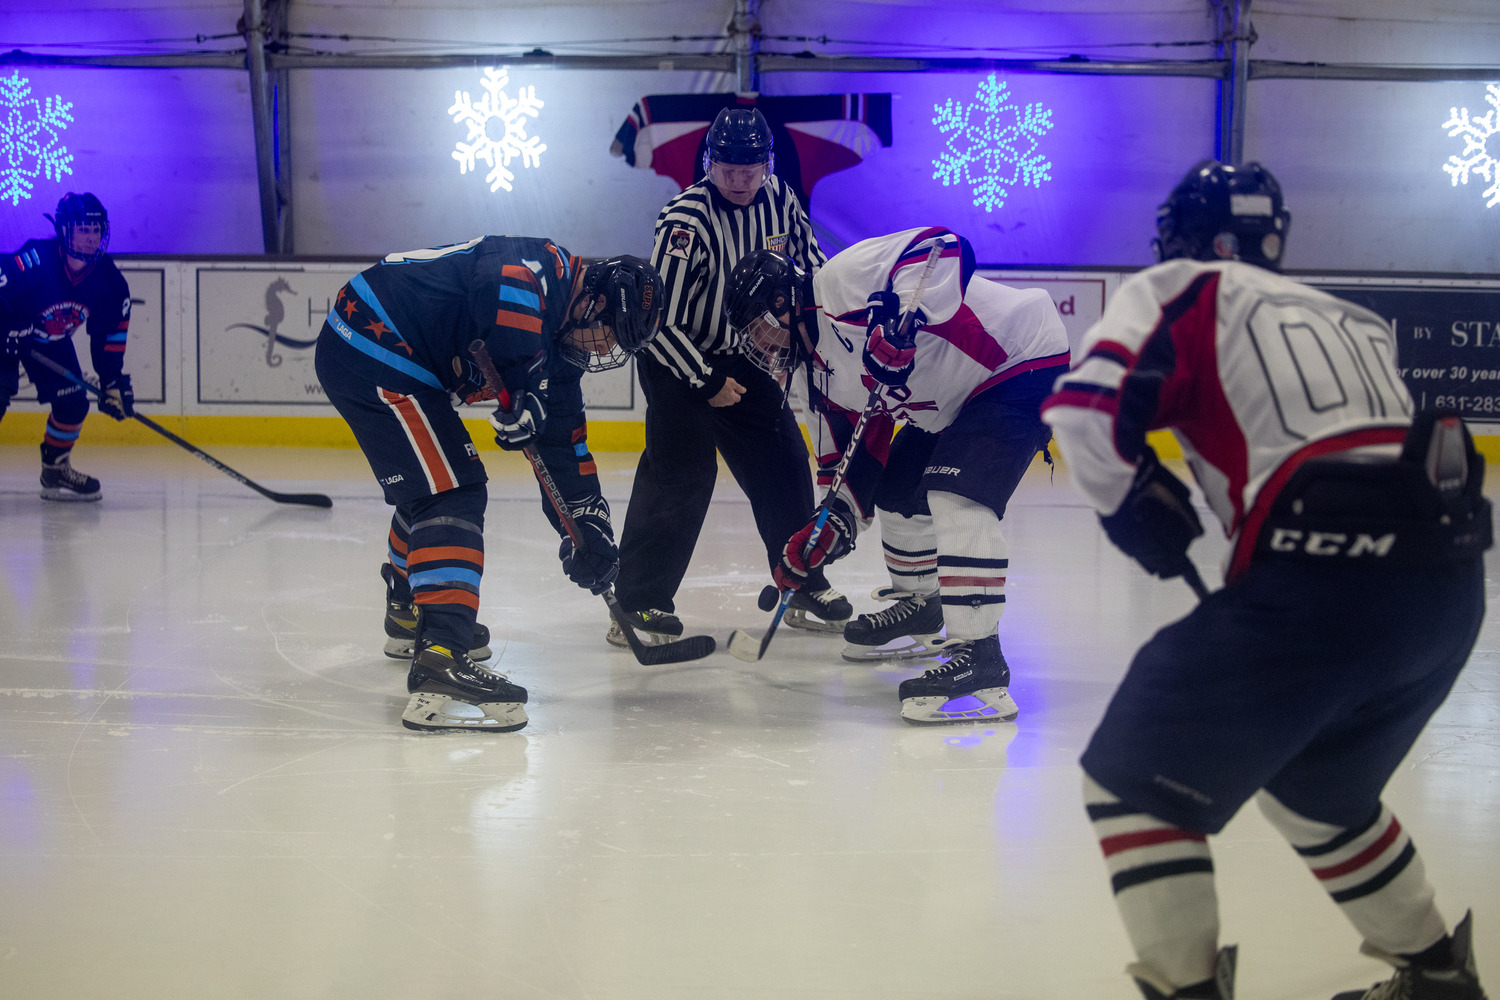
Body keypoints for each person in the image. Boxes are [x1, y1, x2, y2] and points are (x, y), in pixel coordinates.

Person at [1041, 160, 1490, 1000]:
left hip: (1321, 586)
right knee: (1321, 790)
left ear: (1185, 236)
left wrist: (1132, 504)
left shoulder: (1184, 286)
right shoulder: (1355, 316)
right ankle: (1438, 977)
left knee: (1132, 779)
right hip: (1448, 587)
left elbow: (1085, 412)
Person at [314, 237, 663, 733]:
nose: (607, 348)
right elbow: (500, 280)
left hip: (386, 351)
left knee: (432, 482)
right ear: (595, 301)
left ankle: (407, 606)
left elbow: (564, 444)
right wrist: (522, 383)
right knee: (452, 492)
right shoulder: (542, 270)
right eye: (610, 333)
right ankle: (442, 657)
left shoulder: (564, 345)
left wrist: (587, 528)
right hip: (375, 339)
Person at [725, 226, 1070, 724]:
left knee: (956, 495)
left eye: (759, 328)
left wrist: (900, 324)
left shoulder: (840, 282)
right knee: (897, 493)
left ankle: (982, 658)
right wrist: (826, 531)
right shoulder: (813, 378)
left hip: (1019, 362)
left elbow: (942, 247)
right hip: (951, 402)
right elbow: (849, 467)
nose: (760, 344)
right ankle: (923, 603)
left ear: (783, 302)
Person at [610, 106, 851, 647]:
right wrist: (704, 380)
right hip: (677, 355)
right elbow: (658, 322)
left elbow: (813, 267)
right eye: (728, 169)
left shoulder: (781, 198)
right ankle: (637, 603)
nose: (741, 180)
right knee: (682, 475)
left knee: (784, 459)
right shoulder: (685, 221)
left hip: (740, 352)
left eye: (751, 169)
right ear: (709, 163)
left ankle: (801, 577)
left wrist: (809, 320)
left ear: (766, 163)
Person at [0, 192, 134, 501]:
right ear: (64, 230)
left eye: (95, 230)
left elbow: (110, 332)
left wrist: (112, 380)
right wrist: (6, 323)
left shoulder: (108, 280)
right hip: (7, 333)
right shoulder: (36, 260)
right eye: (82, 230)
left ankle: (55, 469)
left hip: (48, 341)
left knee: (73, 404)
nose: (90, 238)